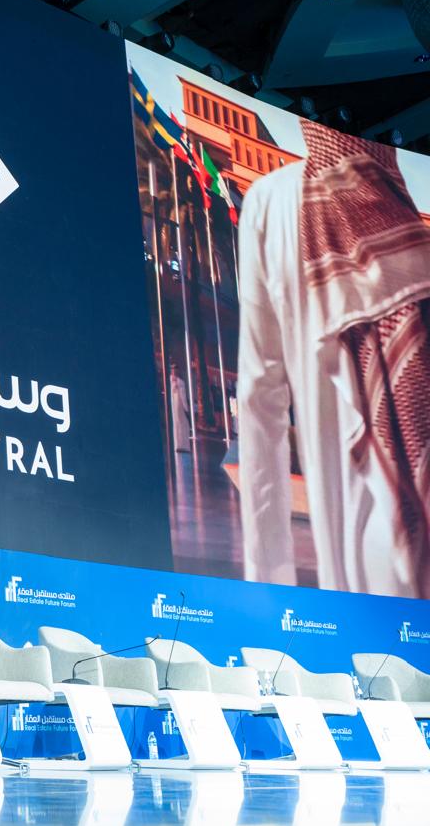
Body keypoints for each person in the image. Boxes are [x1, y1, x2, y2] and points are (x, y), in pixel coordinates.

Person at [238, 120, 430, 597]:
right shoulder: (408, 223)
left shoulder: (271, 201)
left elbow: (260, 400)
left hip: (363, 563)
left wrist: (268, 588)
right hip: (380, 551)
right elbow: (261, 401)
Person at [169, 365, 191, 453]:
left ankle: (183, 445)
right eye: (173, 369)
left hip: (180, 406)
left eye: (175, 369)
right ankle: (178, 445)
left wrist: (186, 409)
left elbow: (183, 396)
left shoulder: (180, 382)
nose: (174, 371)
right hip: (175, 405)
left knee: (182, 425)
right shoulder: (171, 381)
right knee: (177, 424)